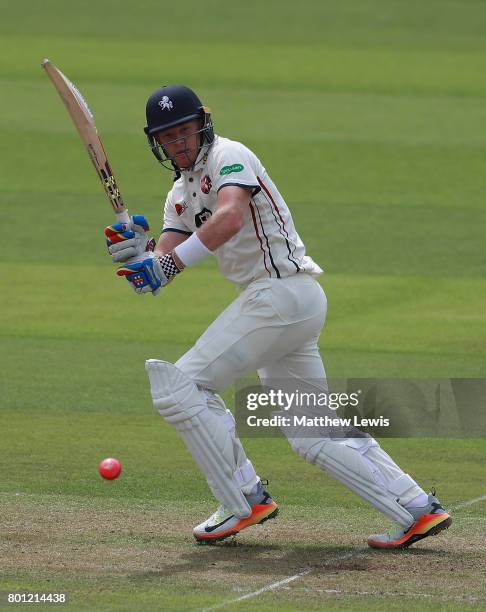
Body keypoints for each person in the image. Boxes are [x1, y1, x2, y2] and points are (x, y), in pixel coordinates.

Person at [104, 84, 452, 548]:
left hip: (282, 294)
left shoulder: (231, 156)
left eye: (184, 131)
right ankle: (415, 509)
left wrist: (166, 262)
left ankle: (243, 498)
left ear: (202, 125)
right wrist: (138, 257)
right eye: (168, 137)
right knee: (314, 436)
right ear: (157, 143)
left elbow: (228, 217)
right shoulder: (179, 198)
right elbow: (161, 267)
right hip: (281, 307)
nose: (179, 144)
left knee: (181, 387)